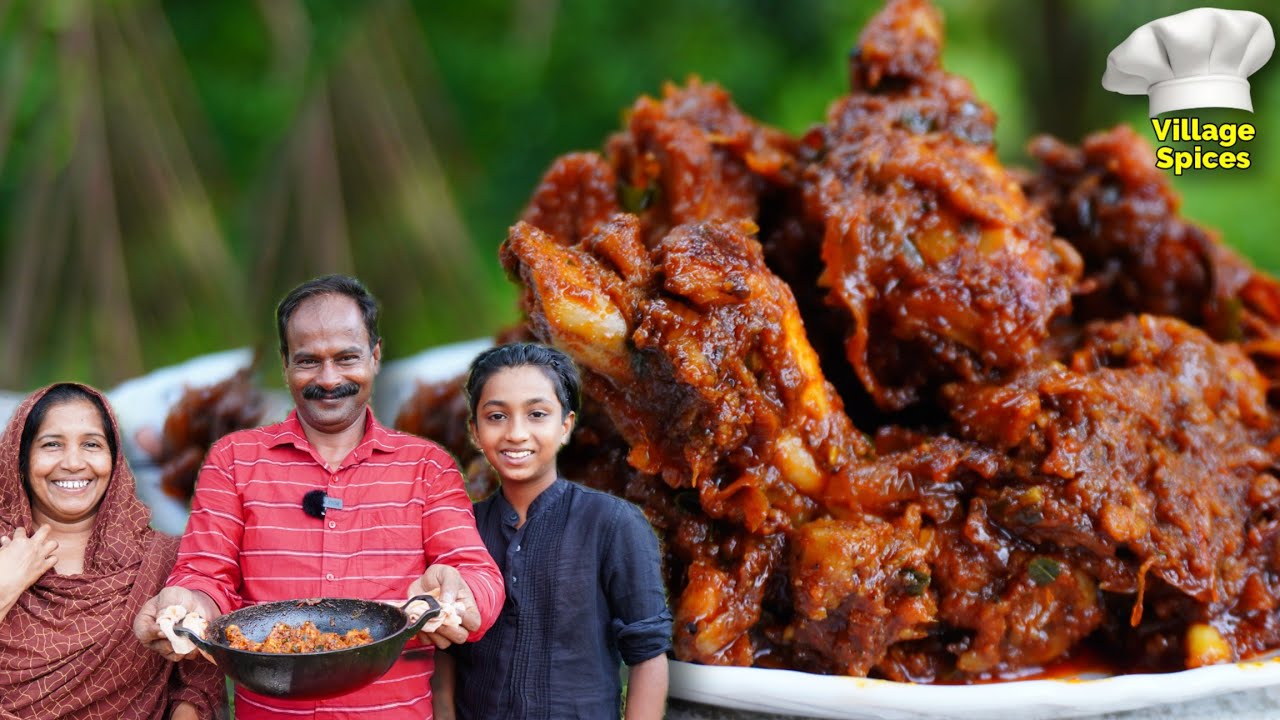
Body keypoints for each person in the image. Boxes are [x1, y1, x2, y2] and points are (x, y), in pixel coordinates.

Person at [133, 274, 505, 719]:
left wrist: (461, 594)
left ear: (375, 356)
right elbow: (205, 574)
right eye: (309, 361)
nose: (329, 379)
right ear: (285, 363)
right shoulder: (233, 459)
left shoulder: (427, 466)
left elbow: (478, 575)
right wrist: (186, 603)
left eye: (347, 358)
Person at [441, 342, 672, 719]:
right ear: (474, 430)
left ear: (565, 426)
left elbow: (648, 653)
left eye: (537, 414)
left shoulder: (613, 524)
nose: (516, 433)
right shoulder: (459, 527)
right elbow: (444, 652)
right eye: (497, 416)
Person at [0, 383, 224, 719]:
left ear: (115, 458)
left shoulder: (163, 559)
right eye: (51, 445)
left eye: (91, 444)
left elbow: (198, 686)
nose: (74, 462)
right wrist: (5, 585)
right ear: (20, 455)